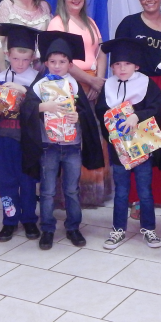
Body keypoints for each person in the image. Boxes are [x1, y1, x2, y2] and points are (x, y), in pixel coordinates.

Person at [20, 31, 105, 250]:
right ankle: (47, 228)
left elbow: (85, 114)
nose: (57, 66)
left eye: (62, 62)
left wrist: (78, 117)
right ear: (46, 62)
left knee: (71, 189)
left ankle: (73, 227)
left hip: (72, 146)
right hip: (48, 146)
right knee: (47, 190)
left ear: (70, 64)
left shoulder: (74, 86)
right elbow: (26, 109)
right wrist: (42, 106)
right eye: (53, 61)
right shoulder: (39, 86)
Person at [114, 0, 161, 208]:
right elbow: (118, 58)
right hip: (139, 88)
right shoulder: (129, 24)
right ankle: (137, 198)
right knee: (138, 140)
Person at [95, 38, 161, 249]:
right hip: (118, 148)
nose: (121, 68)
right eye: (116, 64)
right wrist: (112, 125)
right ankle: (118, 229)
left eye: (126, 64)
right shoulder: (109, 85)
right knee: (122, 190)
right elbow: (100, 112)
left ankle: (149, 229)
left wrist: (136, 115)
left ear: (136, 65)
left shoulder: (145, 82)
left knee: (144, 189)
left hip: (142, 143)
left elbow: (156, 106)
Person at [47, 0, 109, 206]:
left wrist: (99, 80)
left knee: (93, 137)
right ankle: (72, 195)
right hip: (70, 87)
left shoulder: (90, 21)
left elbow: (101, 51)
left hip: (93, 85)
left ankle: (93, 192)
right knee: (73, 139)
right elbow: (61, 61)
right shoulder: (57, 24)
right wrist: (89, 82)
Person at [0, 23, 41, 243]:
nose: (20, 64)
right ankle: (9, 220)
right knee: (6, 181)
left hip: (27, 140)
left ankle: (28, 218)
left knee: (28, 180)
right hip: (5, 138)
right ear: (8, 55)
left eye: (25, 59)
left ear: (33, 57)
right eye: (15, 58)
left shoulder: (38, 80)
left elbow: (41, 108)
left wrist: (25, 93)